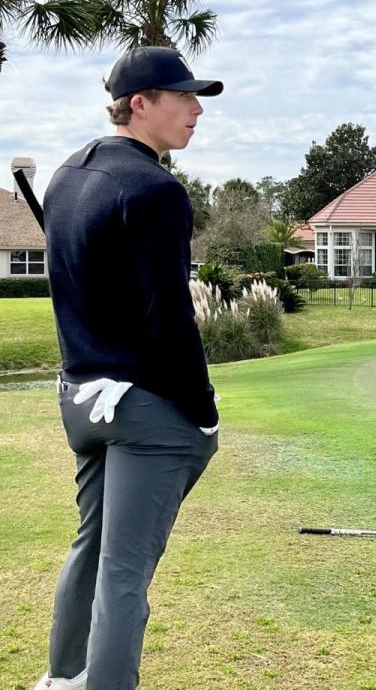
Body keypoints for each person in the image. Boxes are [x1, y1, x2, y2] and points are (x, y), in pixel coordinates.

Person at [34, 47, 223, 690]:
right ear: (140, 104)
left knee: (92, 549)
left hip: (81, 396)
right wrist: (203, 414)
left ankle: (62, 680)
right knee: (124, 572)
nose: (196, 110)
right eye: (184, 97)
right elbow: (169, 319)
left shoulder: (66, 174)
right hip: (143, 407)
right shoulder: (156, 189)